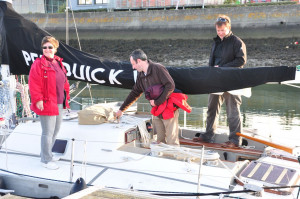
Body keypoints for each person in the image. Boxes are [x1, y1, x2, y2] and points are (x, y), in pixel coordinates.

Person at [115, 49, 191, 146]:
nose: (133, 67)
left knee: (172, 141)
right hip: (156, 111)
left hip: (169, 109)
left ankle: (175, 158)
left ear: (139, 61)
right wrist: (121, 110)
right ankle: (161, 158)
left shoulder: (158, 68)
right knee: (159, 140)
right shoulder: (140, 75)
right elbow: (134, 93)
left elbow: (170, 85)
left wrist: (157, 102)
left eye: (133, 64)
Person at [194, 14, 247, 148]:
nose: (220, 33)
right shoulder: (216, 42)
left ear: (229, 28)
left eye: (223, 30)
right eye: (218, 31)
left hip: (232, 82)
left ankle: (235, 141)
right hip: (215, 81)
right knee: (211, 109)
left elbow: (241, 60)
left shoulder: (237, 42)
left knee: (233, 112)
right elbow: (212, 62)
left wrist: (223, 68)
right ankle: (208, 135)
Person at [29, 36, 70, 169]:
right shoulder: (38, 64)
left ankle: (47, 154)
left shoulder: (58, 62)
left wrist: (66, 98)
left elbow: (64, 80)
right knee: (48, 132)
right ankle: (46, 160)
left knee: (56, 130)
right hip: (47, 102)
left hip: (59, 102)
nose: (47, 49)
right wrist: (38, 100)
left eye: (50, 47)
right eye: (44, 47)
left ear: (55, 49)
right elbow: (34, 83)